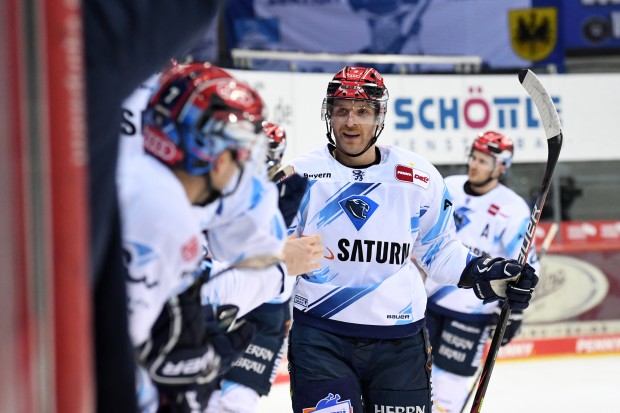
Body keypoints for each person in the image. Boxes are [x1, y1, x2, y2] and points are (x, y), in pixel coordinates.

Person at [282, 66, 539, 413]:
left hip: (399, 343)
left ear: (379, 117)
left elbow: (440, 252)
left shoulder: (418, 177)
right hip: (320, 337)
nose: (350, 122)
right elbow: (258, 254)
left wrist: (484, 270)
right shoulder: (299, 175)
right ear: (329, 114)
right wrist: (278, 255)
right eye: (341, 110)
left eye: (362, 111)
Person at [118, 63, 272, 412]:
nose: (241, 168)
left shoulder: (140, 179)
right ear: (215, 156)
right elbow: (114, 352)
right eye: (241, 152)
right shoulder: (164, 213)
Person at [424, 131, 541, 413]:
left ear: (501, 167)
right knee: (414, 377)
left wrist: (515, 311)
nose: (474, 165)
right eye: (473, 157)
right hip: (427, 300)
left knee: (449, 387)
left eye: (484, 161)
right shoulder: (447, 187)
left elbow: (527, 266)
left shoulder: (513, 209)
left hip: (473, 310)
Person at [205, 122, 309, 413]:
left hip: (264, 310)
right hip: (223, 297)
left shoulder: (286, 195)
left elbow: (289, 268)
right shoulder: (215, 184)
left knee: (234, 403)